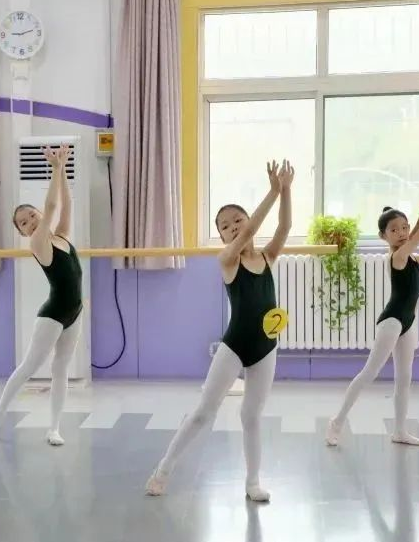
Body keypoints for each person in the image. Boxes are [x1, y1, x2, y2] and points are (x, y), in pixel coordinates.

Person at [145, 160, 295, 502]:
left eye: (237, 220)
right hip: (234, 346)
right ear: (223, 236)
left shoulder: (267, 258)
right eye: (225, 226)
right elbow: (248, 233)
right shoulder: (227, 260)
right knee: (204, 411)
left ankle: (252, 482)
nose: (233, 227)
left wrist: (286, 191)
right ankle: (164, 468)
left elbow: (285, 226)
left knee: (251, 416)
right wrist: (273, 192)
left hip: (266, 347)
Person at [326, 175, 419, 447]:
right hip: (392, 320)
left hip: (409, 321)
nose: (402, 232)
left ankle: (399, 431)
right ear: (383, 236)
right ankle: (336, 422)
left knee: (404, 377)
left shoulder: (409, 253)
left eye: (404, 227)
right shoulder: (398, 256)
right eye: (395, 230)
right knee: (369, 373)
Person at [0, 145, 82, 446]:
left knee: (61, 369)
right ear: (24, 233)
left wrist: (63, 169)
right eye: (24, 222)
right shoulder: (38, 244)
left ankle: (54, 428)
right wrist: (55, 169)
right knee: (29, 367)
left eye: (31, 215)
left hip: (75, 313)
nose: (31, 221)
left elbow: (65, 204)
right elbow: (51, 207)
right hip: (52, 316)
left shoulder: (61, 237)